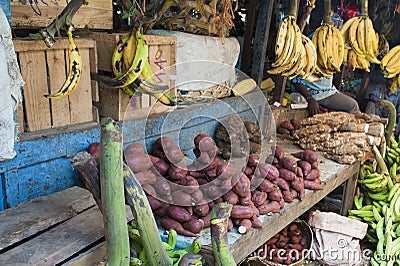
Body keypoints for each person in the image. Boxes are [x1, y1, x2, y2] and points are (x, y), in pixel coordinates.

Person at [291, 75, 360, 116]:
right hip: (317, 93)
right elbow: (296, 80)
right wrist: (310, 98)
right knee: (353, 106)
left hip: (329, 90)